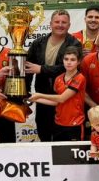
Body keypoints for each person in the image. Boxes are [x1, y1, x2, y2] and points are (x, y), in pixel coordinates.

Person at [25, 9, 82, 142]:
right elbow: (28, 69)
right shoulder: (38, 43)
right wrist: (25, 93)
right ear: (50, 24)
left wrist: (42, 69)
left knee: (62, 136)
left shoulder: (74, 44)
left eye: (64, 22)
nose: (60, 25)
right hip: (43, 96)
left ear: (69, 25)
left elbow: (68, 68)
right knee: (43, 133)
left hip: (66, 97)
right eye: (57, 22)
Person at [29, 46, 86, 141]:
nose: (68, 62)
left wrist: (39, 95)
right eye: (66, 59)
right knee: (57, 155)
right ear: (62, 60)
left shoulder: (80, 78)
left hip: (74, 124)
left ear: (78, 62)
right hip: (58, 124)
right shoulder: (58, 78)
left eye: (72, 60)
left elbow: (61, 98)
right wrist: (35, 99)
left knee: (71, 155)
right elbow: (56, 102)